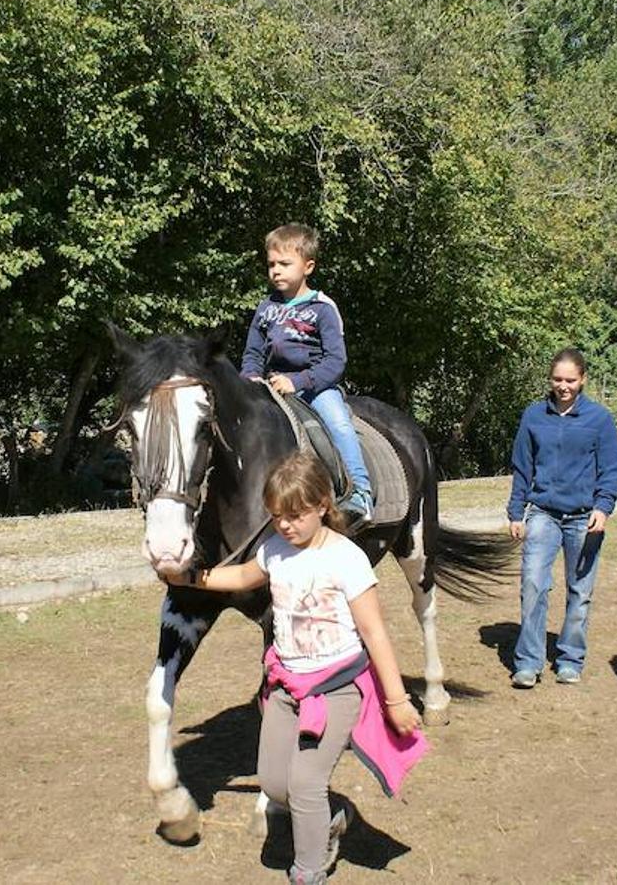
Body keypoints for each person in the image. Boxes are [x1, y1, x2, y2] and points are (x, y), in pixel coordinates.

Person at [162, 454, 426, 885]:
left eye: (296, 516)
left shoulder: (347, 558)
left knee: (305, 785)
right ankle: (334, 816)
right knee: (274, 783)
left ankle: (309, 868)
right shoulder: (274, 550)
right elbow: (244, 576)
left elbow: (375, 634)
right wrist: (192, 579)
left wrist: (396, 700)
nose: (286, 525)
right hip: (284, 687)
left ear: (323, 504)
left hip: (336, 689)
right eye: (278, 517)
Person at [505, 348, 617, 688]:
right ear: (550, 379)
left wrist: (603, 507)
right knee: (532, 585)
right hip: (542, 513)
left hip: (584, 517)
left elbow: (612, 468)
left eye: (570, 380)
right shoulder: (533, 416)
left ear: (582, 379)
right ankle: (528, 662)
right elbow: (522, 467)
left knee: (580, 591)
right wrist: (516, 511)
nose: (563, 386)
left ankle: (570, 658)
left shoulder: (598, 419)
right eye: (557, 379)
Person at [241, 224, 374, 524]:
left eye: (285, 264)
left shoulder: (323, 308)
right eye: (271, 264)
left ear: (308, 266)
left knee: (338, 422)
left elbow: (335, 361)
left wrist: (298, 381)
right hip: (272, 385)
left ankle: (360, 491)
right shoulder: (265, 309)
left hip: (315, 387)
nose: (276, 270)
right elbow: (253, 353)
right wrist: (249, 378)